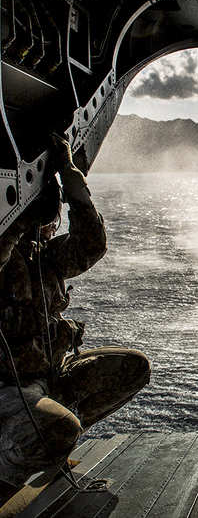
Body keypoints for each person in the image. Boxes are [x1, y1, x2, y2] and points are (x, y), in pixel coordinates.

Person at [0, 138, 150, 505]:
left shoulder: (45, 257)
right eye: (45, 216)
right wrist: (18, 224)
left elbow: (91, 245)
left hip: (48, 375)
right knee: (57, 429)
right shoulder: (8, 256)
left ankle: (50, 435)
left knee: (132, 368)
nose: (51, 225)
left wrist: (71, 178)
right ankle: (7, 472)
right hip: (8, 386)